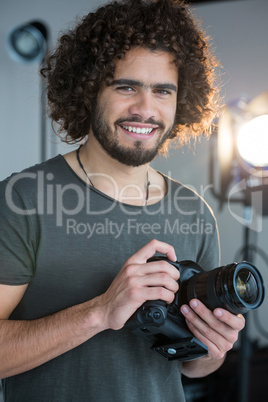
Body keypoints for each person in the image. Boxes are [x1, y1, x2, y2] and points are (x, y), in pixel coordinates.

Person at [0, 1, 245, 401]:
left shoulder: (194, 212)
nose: (145, 110)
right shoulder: (22, 198)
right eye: (126, 86)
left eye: (162, 91)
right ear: (88, 89)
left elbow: (196, 365)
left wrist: (214, 344)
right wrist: (100, 312)